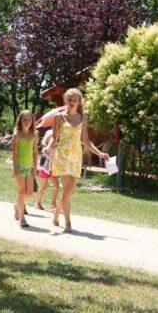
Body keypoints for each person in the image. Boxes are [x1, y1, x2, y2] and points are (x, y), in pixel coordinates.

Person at [48, 88, 109, 232]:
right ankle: (68, 223)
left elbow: (86, 140)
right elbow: (54, 137)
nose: (72, 101)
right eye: (70, 98)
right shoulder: (59, 117)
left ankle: (56, 213)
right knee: (67, 189)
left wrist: (100, 154)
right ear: (66, 100)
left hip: (76, 157)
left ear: (79, 101)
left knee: (71, 191)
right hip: (62, 155)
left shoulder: (83, 118)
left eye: (75, 99)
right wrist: (48, 147)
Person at [12, 110, 39, 228]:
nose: (27, 122)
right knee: (21, 191)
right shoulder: (17, 134)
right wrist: (16, 169)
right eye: (25, 120)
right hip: (20, 167)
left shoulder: (34, 134)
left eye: (29, 120)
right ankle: (22, 218)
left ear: (32, 121)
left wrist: (35, 168)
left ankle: (17, 204)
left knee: (29, 192)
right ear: (20, 121)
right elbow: (14, 152)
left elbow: (35, 152)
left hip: (29, 167)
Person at [35, 129, 59, 211]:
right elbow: (44, 159)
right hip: (45, 169)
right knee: (43, 187)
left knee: (56, 186)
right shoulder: (46, 148)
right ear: (47, 138)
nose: (54, 139)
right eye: (51, 137)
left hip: (53, 170)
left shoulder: (56, 147)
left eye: (55, 137)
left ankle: (53, 203)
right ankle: (38, 203)